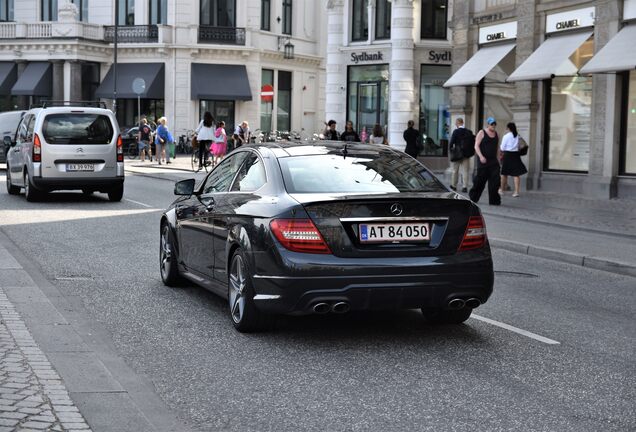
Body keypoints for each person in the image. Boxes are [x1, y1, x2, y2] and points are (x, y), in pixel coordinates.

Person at [469, 117, 501, 205]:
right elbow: (476, 146)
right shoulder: (482, 132)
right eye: (492, 124)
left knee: (495, 182)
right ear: (488, 124)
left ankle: (494, 200)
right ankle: (473, 198)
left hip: (493, 162)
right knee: (480, 182)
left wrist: (498, 161)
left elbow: (497, 148)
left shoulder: (497, 134)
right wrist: (481, 156)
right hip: (483, 162)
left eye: (494, 124)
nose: (493, 126)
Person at [500, 122, 527, 198]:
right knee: (516, 174)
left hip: (507, 155)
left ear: (508, 128)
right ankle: (516, 192)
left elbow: (502, 148)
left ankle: (501, 190)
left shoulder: (506, 136)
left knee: (504, 174)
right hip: (516, 155)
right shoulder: (517, 136)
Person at [449, 118, 474, 193]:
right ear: (463, 123)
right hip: (466, 154)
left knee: (455, 170)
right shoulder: (469, 132)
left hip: (457, 154)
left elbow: (451, 142)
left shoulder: (456, 131)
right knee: (465, 171)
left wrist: (451, 150)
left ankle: (454, 186)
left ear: (457, 123)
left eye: (456, 123)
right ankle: (465, 187)